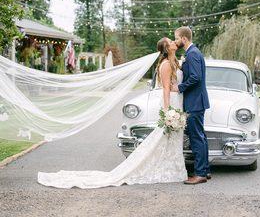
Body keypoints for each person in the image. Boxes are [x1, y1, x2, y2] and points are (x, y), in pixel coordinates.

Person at [38, 37, 187, 189]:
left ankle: (171, 167)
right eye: (171, 42)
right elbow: (166, 89)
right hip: (170, 103)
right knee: (165, 137)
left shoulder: (174, 61)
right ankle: (168, 169)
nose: (174, 43)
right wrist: (168, 110)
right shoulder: (166, 64)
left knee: (171, 138)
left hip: (177, 102)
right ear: (167, 48)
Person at [175, 26, 211, 185]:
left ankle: (200, 174)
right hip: (196, 101)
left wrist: (180, 87)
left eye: (176, 38)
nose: (176, 41)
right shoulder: (191, 53)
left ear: (184, 38)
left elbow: (196, 77)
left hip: (195, 101)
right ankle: (205, 170)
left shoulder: (193, 54)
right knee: (200, 136)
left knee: (197, 137)